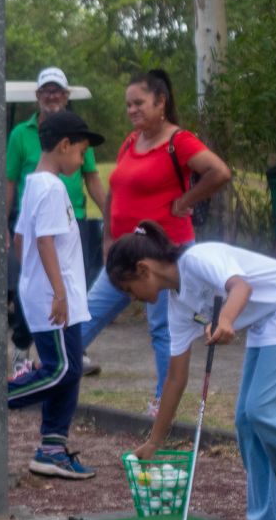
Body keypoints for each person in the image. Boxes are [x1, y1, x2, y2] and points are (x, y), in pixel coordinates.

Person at [110, 223, 276, 520]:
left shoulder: (197, 258)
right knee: (247, 422)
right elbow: (175, 379)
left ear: (143, 269)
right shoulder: (178, 307)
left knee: (265, 410)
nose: (132, 298)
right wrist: (154, 441)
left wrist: (225, 319)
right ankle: (270, 519)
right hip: (267, 323)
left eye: (129, 289)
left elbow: (241, 287)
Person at [0, 111, 103, 480]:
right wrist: (55, 290)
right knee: (60, 369)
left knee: (71, 371)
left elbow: (24, 237)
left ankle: (52, 449)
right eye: (81, 152)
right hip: (56, 297)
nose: (82, 160)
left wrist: (35, 281)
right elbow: (42, 241)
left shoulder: (35, 183)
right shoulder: (53, 187)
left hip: (56, 293)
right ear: (64, 145)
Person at [81, 69, 232, 413]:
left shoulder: (178, 141)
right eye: (128, 105)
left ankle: (164, 403)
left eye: (139, 103)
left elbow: (219, 172)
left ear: (160, 102)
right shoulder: (130, 142)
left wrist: (186, 200)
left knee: (163, 329)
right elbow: (115, 194)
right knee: (87, 314)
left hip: (164, 254)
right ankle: (55, 374)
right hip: (124, 253)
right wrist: (108, 238)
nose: (132, 110)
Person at [5, 67, 109, 375]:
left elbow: (91, 177)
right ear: (38, 96)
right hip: (37, 218)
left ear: (66, 96)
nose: (52, 96)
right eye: (46, 91)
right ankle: (26, 349)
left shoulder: (77, 135)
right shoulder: (21, 135)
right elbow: (10, 181)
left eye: (58, 91)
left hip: (73, 217)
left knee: (77, 283)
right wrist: (0, 222)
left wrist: (111, 216)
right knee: (46, 285)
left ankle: (74, 348)